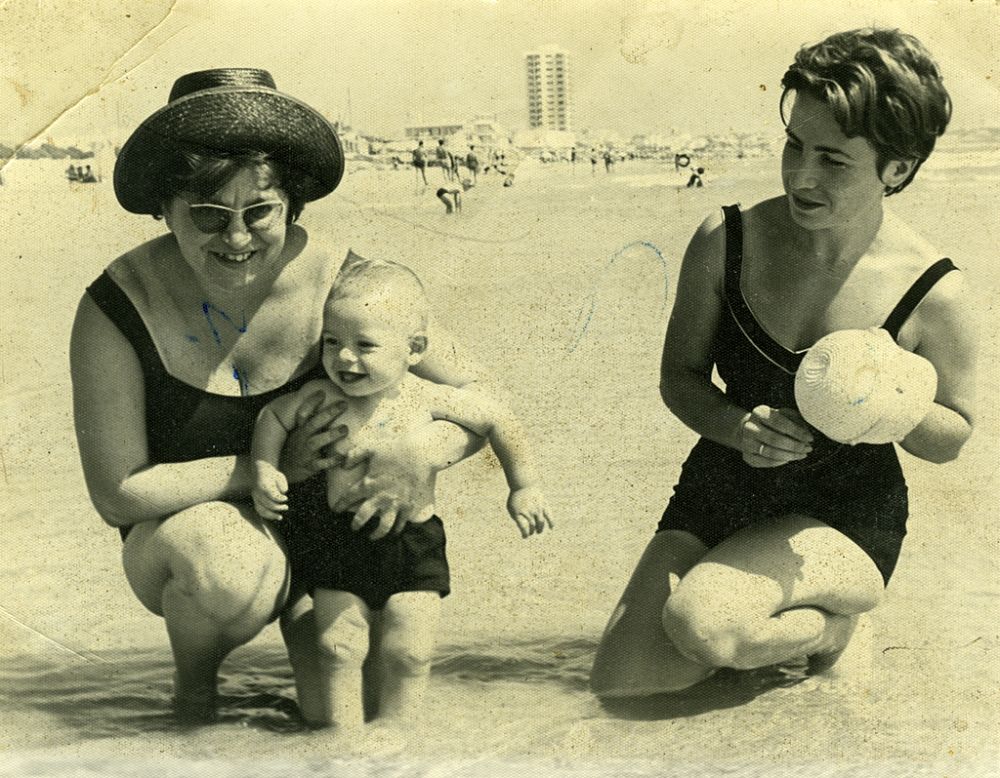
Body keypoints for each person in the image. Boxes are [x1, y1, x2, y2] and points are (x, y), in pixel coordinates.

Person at [70, 68, 485, 725]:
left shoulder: (346, 282)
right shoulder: (119, 304)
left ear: (291, 205)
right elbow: (117, 491)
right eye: (207, 216)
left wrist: (418, 453)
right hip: (191, 543)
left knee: (356, 723)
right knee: (226, 564)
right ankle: (194, 700)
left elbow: (479, 393)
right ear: (163, 208)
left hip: (330, 537)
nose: (235, 239)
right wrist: (271, 468)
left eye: (258, 213)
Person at [590, 28, 978, 698]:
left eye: (833, 160)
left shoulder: (934, 292)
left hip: (844, 515)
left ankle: (830, 630)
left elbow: (955, 435)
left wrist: (895, 398)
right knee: (624, 693)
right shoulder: (725, 240)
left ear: (898, 168)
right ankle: (766, 628)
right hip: (722, 484)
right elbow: (678, 378)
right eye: (794, 145)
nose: (801, 176)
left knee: (703, 627)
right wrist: (735, 426)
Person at [251, 257, 553, 730]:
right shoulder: (320, 396)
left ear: (414, 349)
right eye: (332, 342)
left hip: (413, 542)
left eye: (364, 345)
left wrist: (523, 485)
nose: (344, 358)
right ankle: (342, 745)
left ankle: (399, 742)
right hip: (340, 536)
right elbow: (272, 418)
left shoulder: (427, 397)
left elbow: (498, 418)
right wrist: (265, 468)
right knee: (337, 648)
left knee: (409, 651)